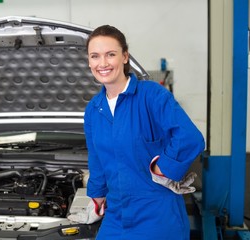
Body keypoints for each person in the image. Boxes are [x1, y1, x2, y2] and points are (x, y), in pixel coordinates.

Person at [67, 25, 205, 240]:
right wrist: (96, 197)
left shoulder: (151, 95)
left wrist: (163, 169)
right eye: (95, 56)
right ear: (88, 61)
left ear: (124, 56)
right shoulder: (94, 109)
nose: (102, 63)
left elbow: (190, 138)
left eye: (110, 55)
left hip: (157, 211)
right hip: (116, 213)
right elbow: (97, 158)